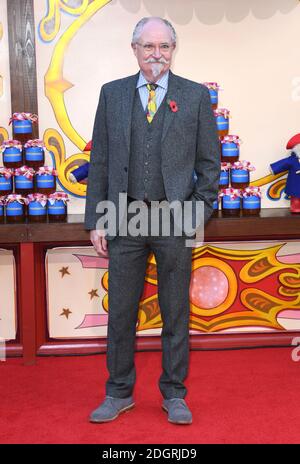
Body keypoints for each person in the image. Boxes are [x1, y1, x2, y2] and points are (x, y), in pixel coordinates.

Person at [84, 16, 220, 425]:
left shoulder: (194, 96)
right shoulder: (113, 94)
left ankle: (175, 394)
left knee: (175, 311)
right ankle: (118, 392)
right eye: (148, 46)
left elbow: (210, 167)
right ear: (135, 49)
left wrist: (193, 214)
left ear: (173, 50)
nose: (156, 54)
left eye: (164, 46)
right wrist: (96, 219)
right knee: (121, 311)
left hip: (174, 219)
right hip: (124, 218)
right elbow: (101, 161)